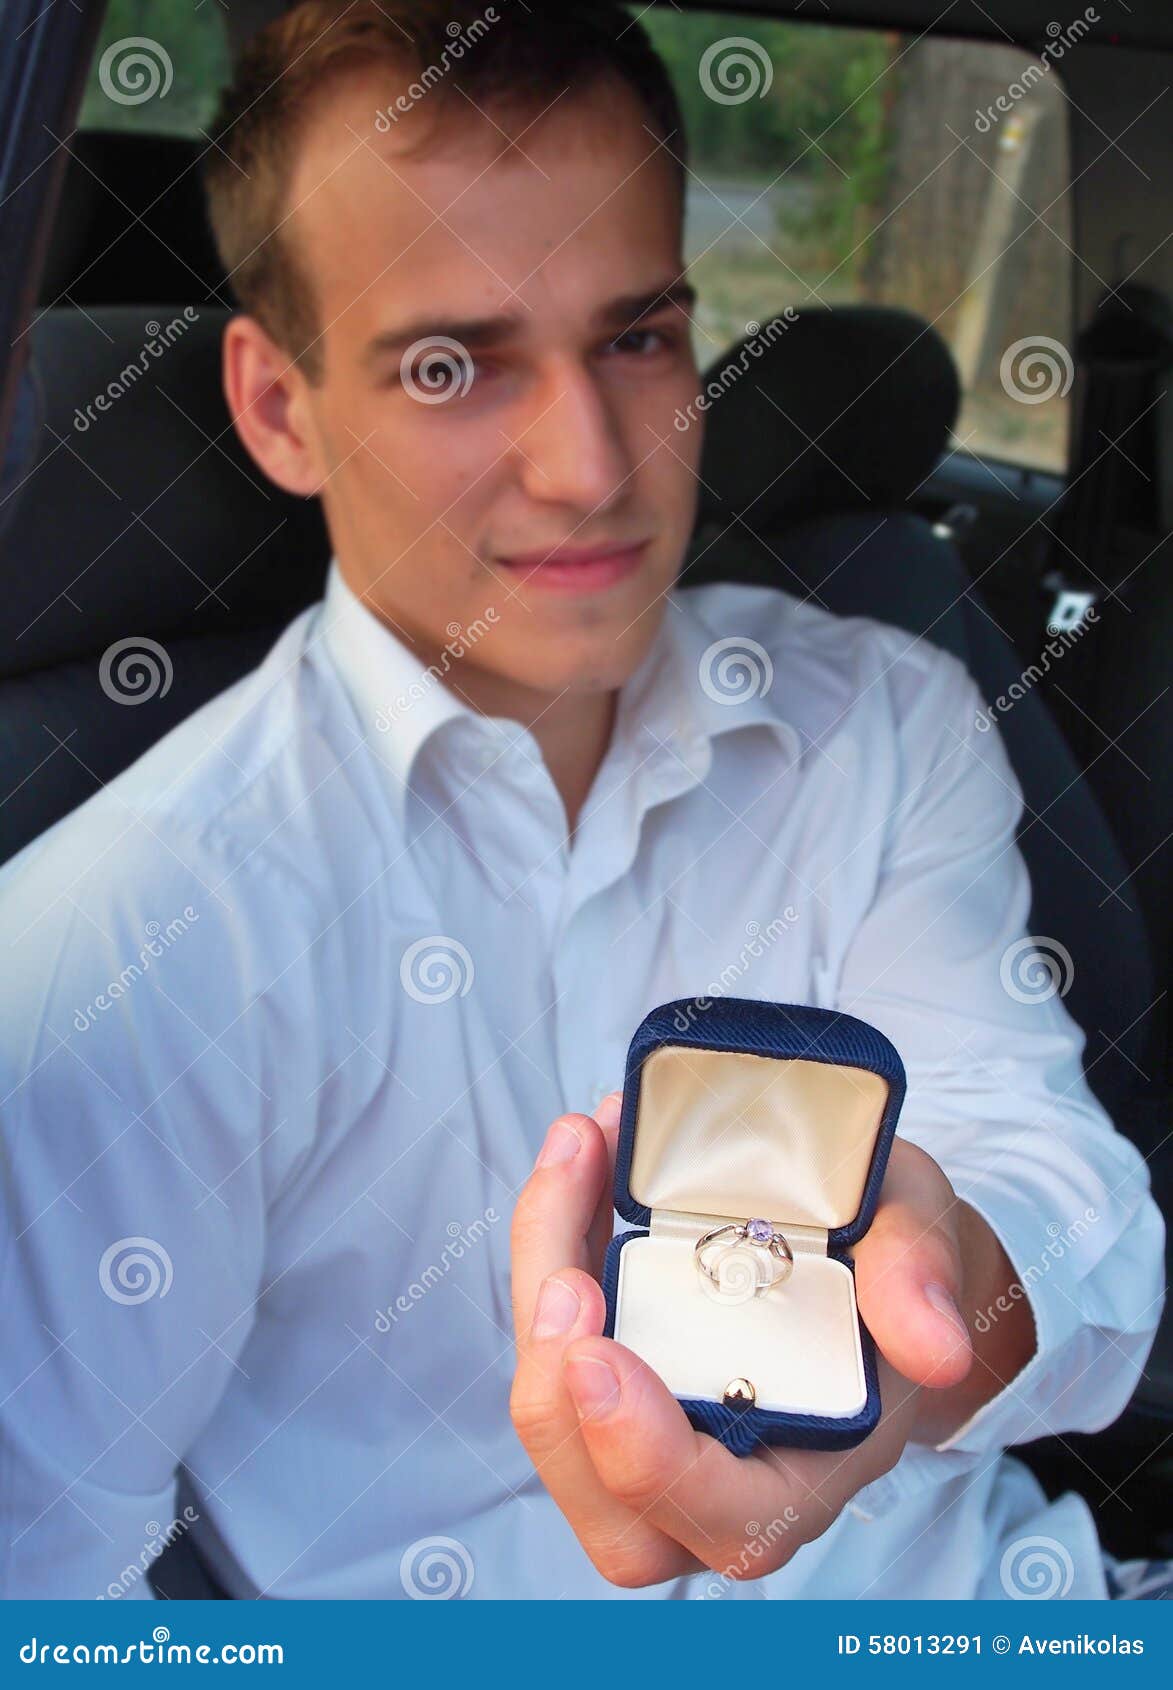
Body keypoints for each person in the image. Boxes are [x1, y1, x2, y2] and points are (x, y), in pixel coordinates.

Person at [0, 0, 1162, 1601]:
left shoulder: (878, 717)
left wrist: (936, 1301)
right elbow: (45, 1594)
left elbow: (1075, 1211)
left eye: (634, 337)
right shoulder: (110, 941)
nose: (589, 464)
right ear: (279, 408)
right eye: (447, 362)